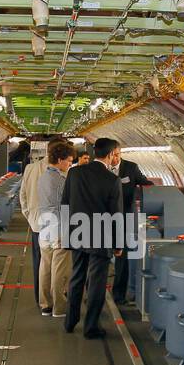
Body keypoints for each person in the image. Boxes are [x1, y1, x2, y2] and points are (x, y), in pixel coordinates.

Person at [61, 137, 123, 339]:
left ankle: (70, 322)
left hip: (77, 232)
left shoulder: (74, 172)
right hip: (101, 235)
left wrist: (66, 233)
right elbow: (116, 215)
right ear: (112, 154)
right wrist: (117, 243)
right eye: (117, 154)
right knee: (96, 281)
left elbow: (65, 203)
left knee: (76, 276)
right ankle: (91, 327)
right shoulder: (112, 180)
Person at [36, 140, 76, 317]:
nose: (70, 164)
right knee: (60, 270)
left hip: (44, 227)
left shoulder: (43, 177)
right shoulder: (61, 179)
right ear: (60, 160)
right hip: (59, 229)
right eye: (69, 160)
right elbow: (65, 205)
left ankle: (45, 304)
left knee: (45, 267)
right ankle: (59, 308)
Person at [109, 148, 154, 304]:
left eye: (117, 154)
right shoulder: (101, 168)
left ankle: (119, 295)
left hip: (126, 217)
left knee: (123, 258)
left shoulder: (130, 168)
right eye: (112, 155)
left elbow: (146, 183)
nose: (114, 158)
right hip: (104, 217)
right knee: (99, 257)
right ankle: (95, 294)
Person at [18, 141, 45, 308]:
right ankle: (50, 299)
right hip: (53, 226)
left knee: (39, 261)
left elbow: (23, 196)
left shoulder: (30, 169)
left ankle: (41, 298)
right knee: (55, 265)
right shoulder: (66, 172)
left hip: (37, 224)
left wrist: (29, 216)